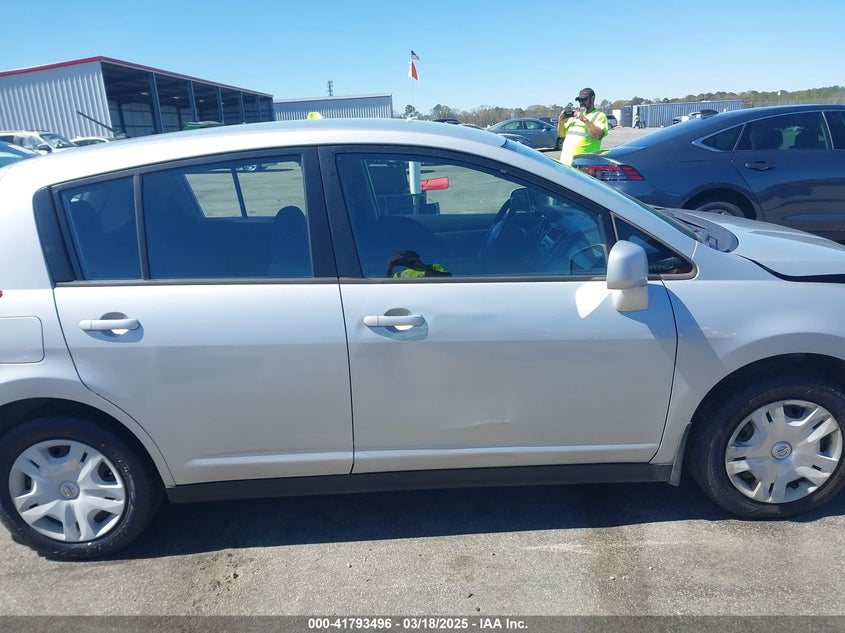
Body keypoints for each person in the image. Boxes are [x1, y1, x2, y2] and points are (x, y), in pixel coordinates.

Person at [558, 87, 609, 166]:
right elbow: (561, 135)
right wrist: (560, 121)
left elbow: (598, 136)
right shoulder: (573, 117)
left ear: (592, 99)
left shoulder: (599, 116)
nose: (581, 102)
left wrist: (584, 120)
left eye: (584, 100)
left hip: (584, 165)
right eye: (579, 100)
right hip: (565, 164)